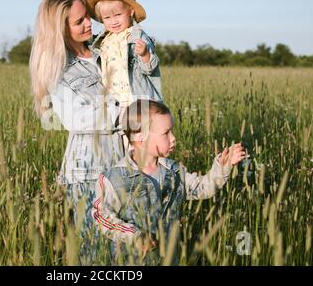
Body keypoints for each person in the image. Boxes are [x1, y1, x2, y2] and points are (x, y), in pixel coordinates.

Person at [29, 0, 125, 263]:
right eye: (79, 21)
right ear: (60, 29)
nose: (89, 24)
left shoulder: (102, 52)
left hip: (121, 164)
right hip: (88, 173)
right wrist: (131, 113)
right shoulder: (59, 68)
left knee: (124, 250)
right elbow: (78, 118)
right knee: (96, 253)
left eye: (88, 17)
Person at [93, 99, 246, 264]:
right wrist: (135, 236)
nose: (173, 138)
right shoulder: (114, 179)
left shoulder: (174, 171)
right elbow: (101, 216)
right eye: (166, 133)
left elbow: (202, 188)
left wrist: (223, 166)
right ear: (140, 137)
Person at [86, 0, 163, 110]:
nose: (113, 21)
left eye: (118, 15)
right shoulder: (103, 40)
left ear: (131, 12)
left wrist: (145, 55)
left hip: (135, 97)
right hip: (113, 100)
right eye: (107, 17)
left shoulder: (136, 36)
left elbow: (149, 69)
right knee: (119, 129)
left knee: (141, 128)